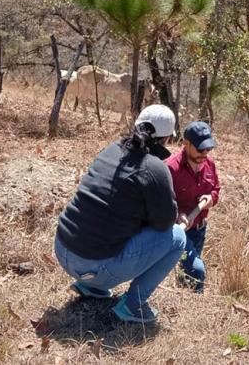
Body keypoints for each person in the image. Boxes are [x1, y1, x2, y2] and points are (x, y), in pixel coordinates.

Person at [53, 104, 184, 324]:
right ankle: (133, 305)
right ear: (167, 138)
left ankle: (90, 286)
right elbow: (165, 223)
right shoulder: (155, 169)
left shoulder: (111, 149)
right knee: (178, 237)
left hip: (63, 250)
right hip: (94, 265)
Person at [166, 121, 220, 293]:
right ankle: (196, 300)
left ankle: (183, 298)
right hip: (179, 231)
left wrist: (211, 198)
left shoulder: (209, 164)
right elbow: (162, 202)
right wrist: (177, 214)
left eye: (208, 149)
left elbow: (215, 189)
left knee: (186, 273)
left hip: (199, 229)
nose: (205, 153)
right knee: (197, 270)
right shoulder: (170, 168)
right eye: (200, 149)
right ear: (186, 143)